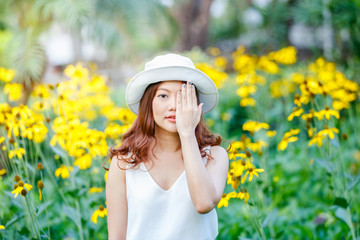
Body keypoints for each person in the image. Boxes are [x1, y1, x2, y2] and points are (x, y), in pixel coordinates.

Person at [106, 53, 229, 240]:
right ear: (148, 103)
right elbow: (116, 237)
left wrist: (186, 133)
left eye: (182, 96)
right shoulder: (123, 163)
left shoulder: (214, 155)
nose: (173, 105)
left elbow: (204, 203)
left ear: (195, 104)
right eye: (163, 96)